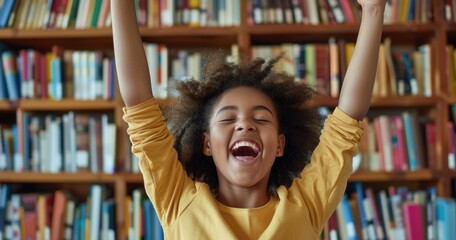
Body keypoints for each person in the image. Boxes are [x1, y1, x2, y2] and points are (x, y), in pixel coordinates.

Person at [111, 0, 386, 239]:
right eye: (228, 118)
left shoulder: (306, 207)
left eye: (262, 119)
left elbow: (347, 121)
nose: (245, 124)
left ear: (280, 145)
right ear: (206, 143)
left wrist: (373, 10)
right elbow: (139, 106)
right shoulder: (178, 201)